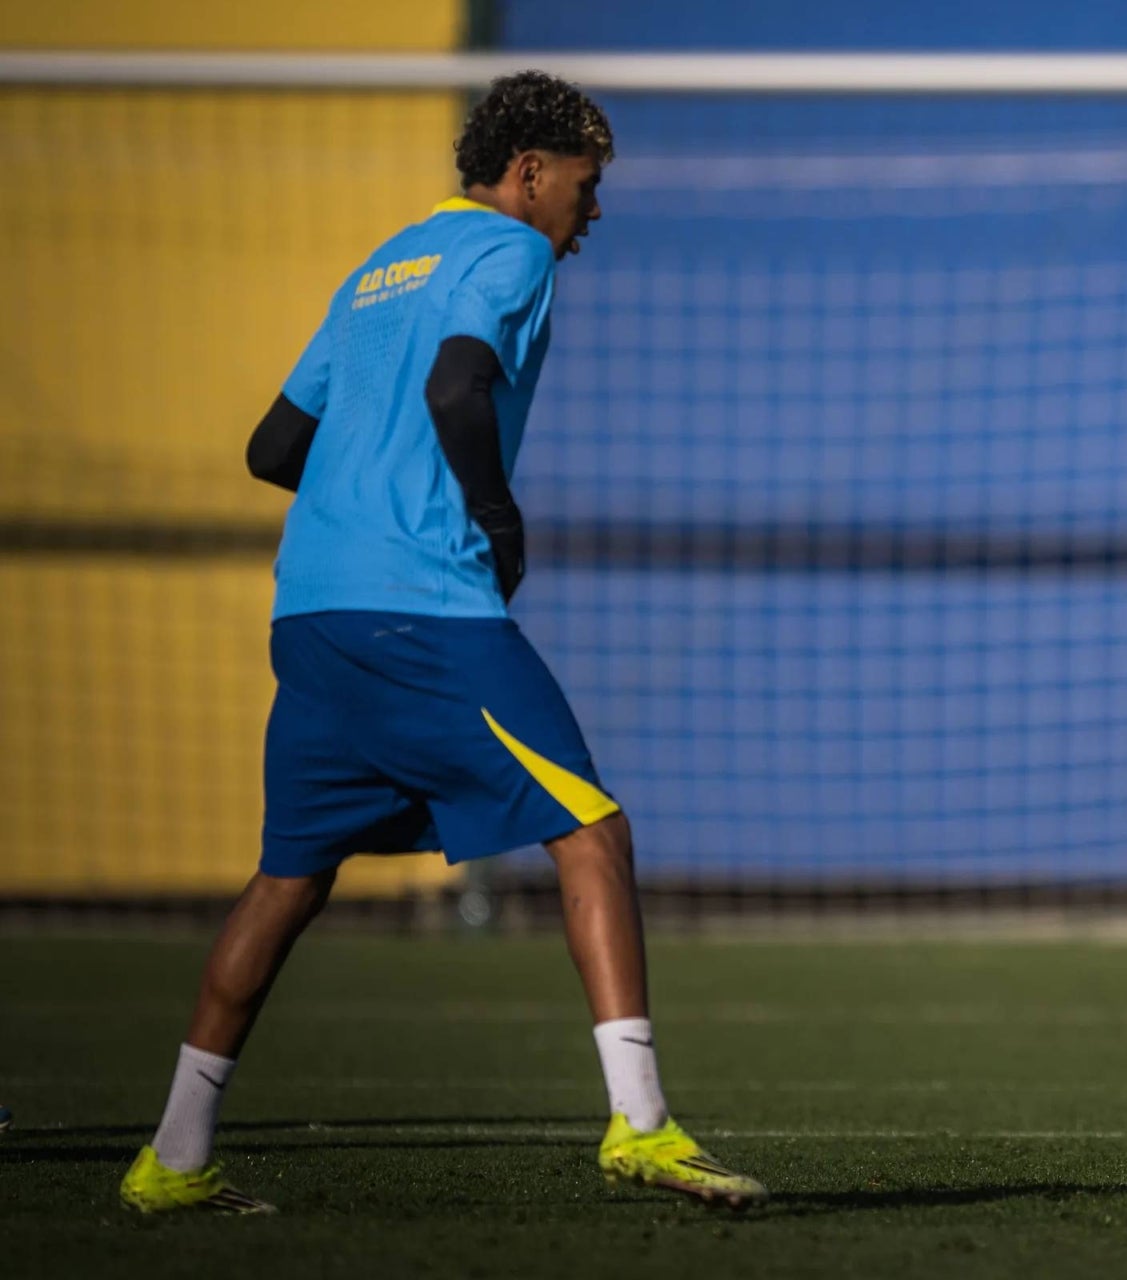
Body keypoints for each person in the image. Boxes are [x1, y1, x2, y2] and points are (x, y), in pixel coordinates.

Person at [116, 72, 765, 1215]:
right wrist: (494, 515)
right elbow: (459, 383)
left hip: (310, 610)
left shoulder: (380, 266)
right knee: (592, 830)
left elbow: (274, 446)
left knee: (287, 880)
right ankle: (643, 1126)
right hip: (423, 606)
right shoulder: (507, 253)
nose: (591, 211)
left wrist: (363, 483)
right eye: (586, 183)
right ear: (529, 174)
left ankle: (172, 1153)